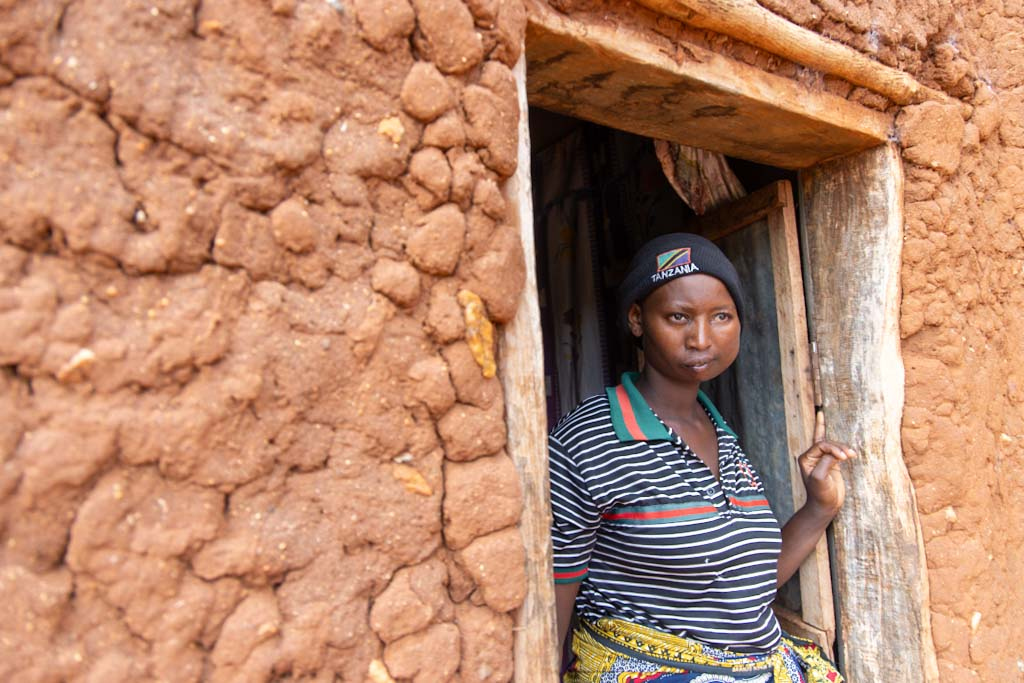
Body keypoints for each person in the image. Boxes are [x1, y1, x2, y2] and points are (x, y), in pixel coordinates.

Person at [548, 233, 856, 682]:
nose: (701, 338)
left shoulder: (722, 434)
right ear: (637, 319)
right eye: (678, 317)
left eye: (721, 317)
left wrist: (818, 508)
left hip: (756, 666)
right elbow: (555, 584)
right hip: (647, 669)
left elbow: (743, 589)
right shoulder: (591, 436)